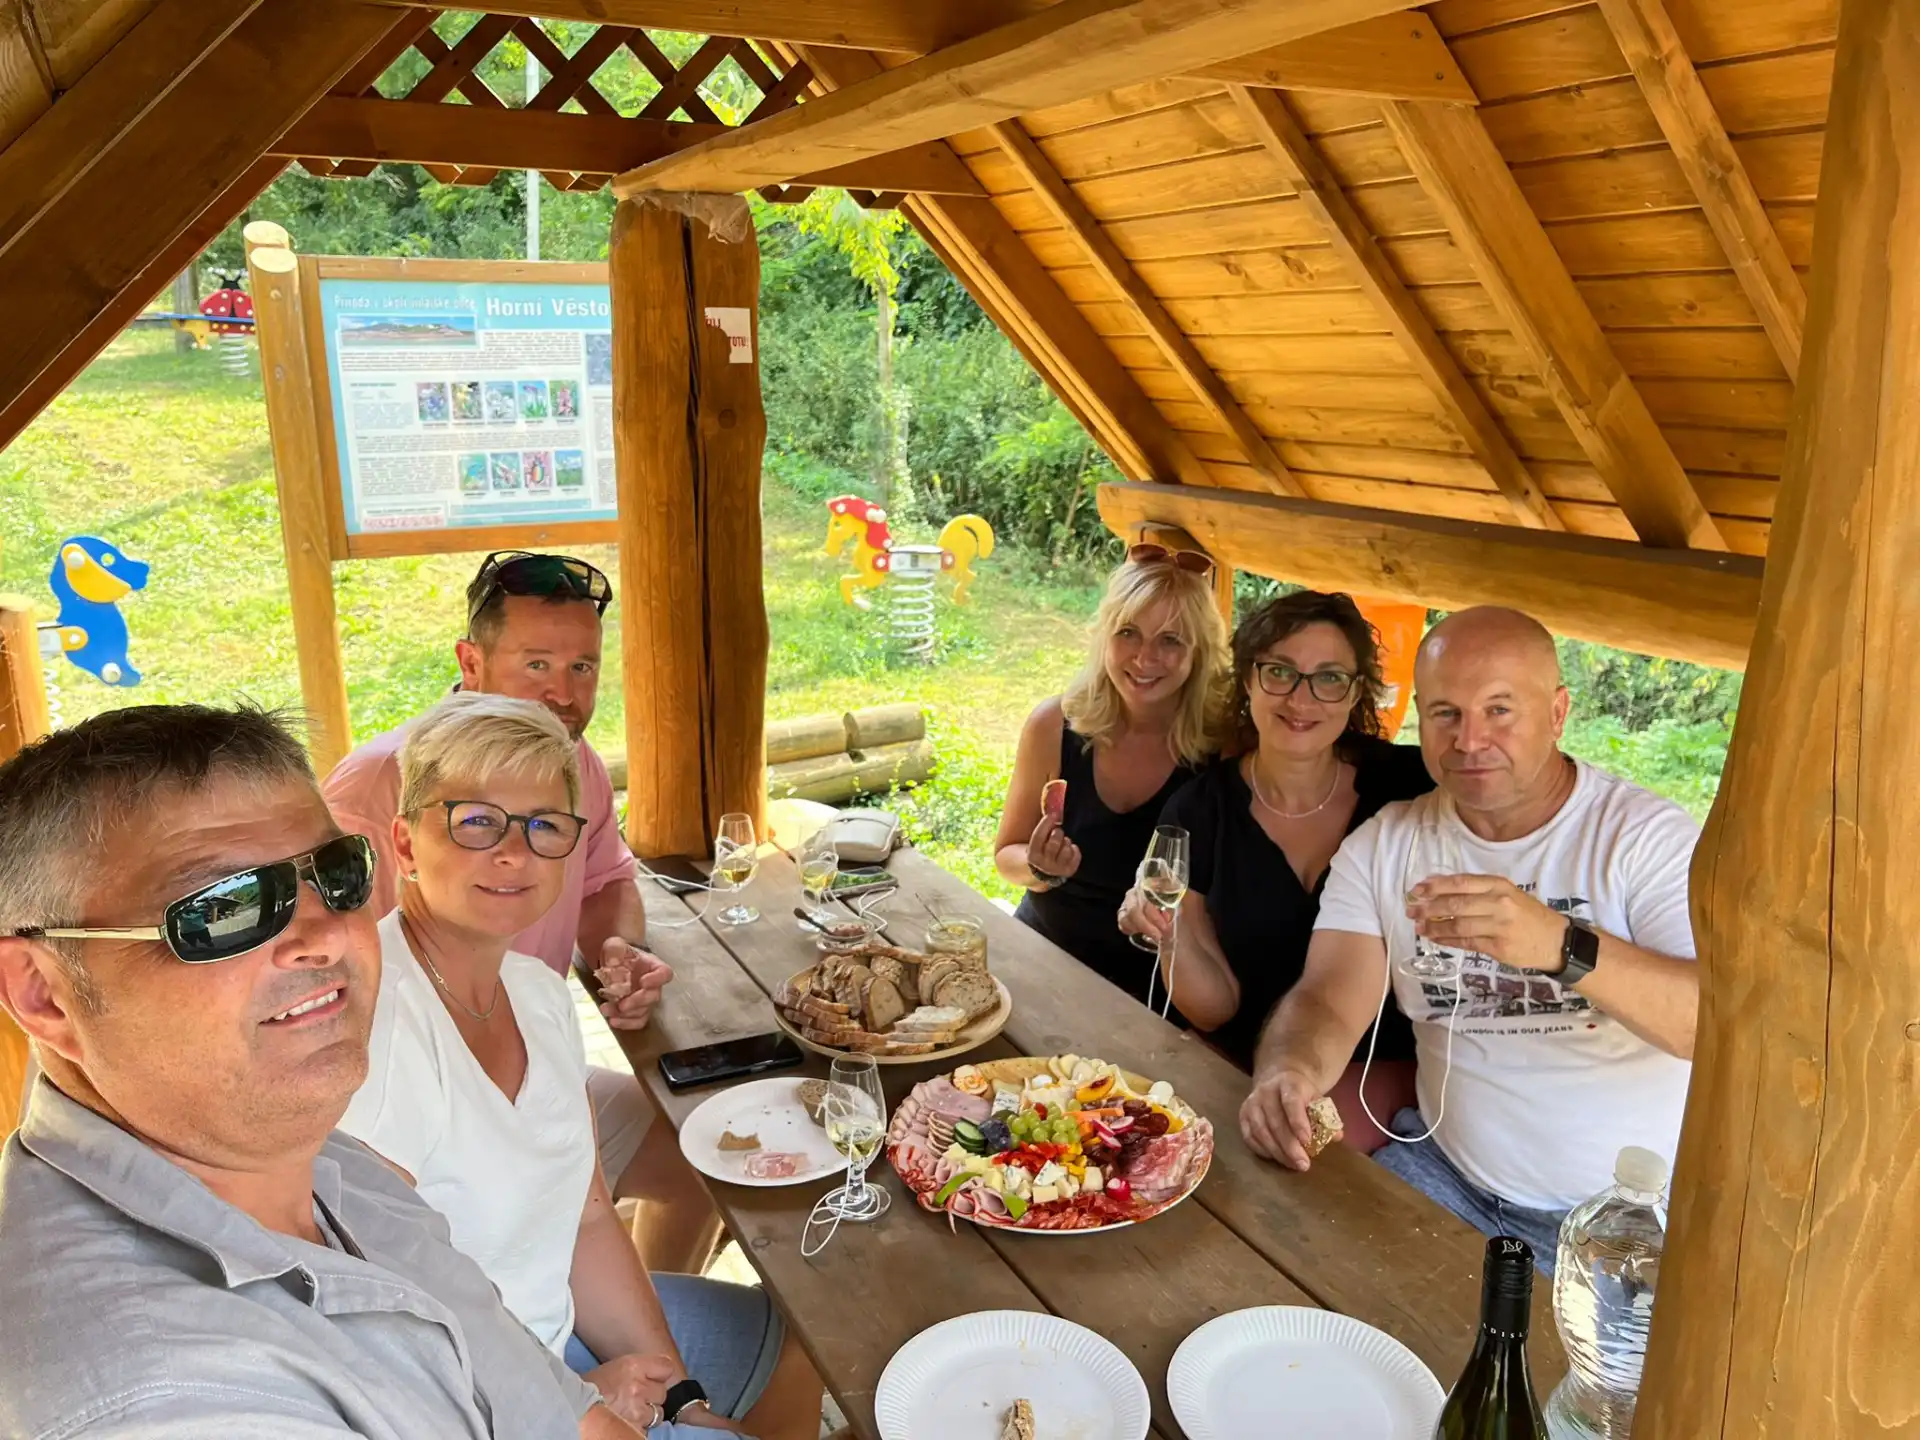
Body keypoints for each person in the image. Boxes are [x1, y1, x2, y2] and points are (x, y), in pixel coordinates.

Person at [0, 704, 651, 1438]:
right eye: (224, 907)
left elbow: (554, 1407)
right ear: (43, 992)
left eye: (335, 876)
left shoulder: (321, 1162)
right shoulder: (161, 1398)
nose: (326, 936)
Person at [337, 693, 815, 1437]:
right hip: (460, 1401)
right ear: (403, 845)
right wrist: (573, 1395)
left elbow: (588, 1217)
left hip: (553, 1324)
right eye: (475, 821)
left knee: (794, 1343)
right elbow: (376, 1317)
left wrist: (680, 1396)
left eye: (545, 826)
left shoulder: (535, 992)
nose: (514, 853)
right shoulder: (378, 1031)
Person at [1240, 607, 1700, 1264]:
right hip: (1446, 1177)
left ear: (1558, 713)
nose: (1469, 739)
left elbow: (1705, 1026)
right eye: (1446, 713)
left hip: (1621, 1221)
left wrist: (1559, 945)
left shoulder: (1643, 839)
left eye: (1499, 710)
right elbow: (1327, 997)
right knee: (1288, 1277)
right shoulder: (1387, 845)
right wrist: (1290, 1071)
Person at [324, 550, 713, 1271]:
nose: (562, 694)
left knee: (701, 1157)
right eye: (536, 665)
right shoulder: (378, 784)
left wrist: (617, 951)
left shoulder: (574, 765)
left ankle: (652, 1299)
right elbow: (323, 976)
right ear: (470, 663)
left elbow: (606, 881)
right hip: (413, 1122)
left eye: (582, 667)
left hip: (532, 1068)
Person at [1118, 592, 1431, 1137]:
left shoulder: (1411, 785)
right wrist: (1167, 932)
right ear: (1248, 679)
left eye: (1328, 677)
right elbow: (1213, 1011)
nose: (1301, 698)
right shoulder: (1199, 810)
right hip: (1245, 1068)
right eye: (1280, 672)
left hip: (1388, 1071)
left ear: (1356, 690)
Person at [993, 544, 1231, 1008]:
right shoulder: (1053, 725)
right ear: (1104, 637)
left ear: (1198, 651)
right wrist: (1040, 868)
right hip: (1041, 958)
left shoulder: (1223, 748)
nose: (1145, 657)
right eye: (1128, 633)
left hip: (1155, 989)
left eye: (1170, 640)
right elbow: (1006, 856)